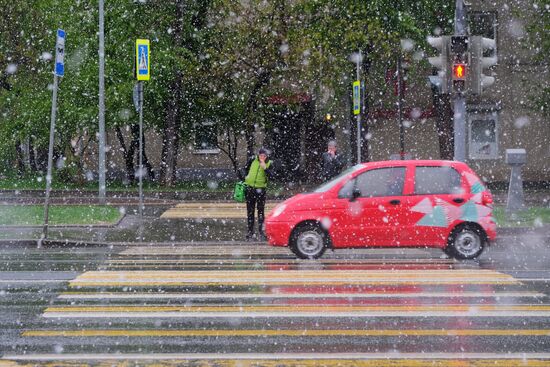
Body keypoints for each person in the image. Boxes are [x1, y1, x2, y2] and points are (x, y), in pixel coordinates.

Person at [239, 148, 273, 241]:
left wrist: (265, 168)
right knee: (250, 212)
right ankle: (250, 232)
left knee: (260, 212)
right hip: (249, 189)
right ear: (258, 155)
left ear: (267, 156)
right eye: (261, 155)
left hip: (261, 190)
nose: (262, 157)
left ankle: (261, 233)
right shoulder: (252, 160)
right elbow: (244, 169)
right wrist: (244, 177)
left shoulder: (269, 163)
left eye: (264, 156)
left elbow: (272, 176)